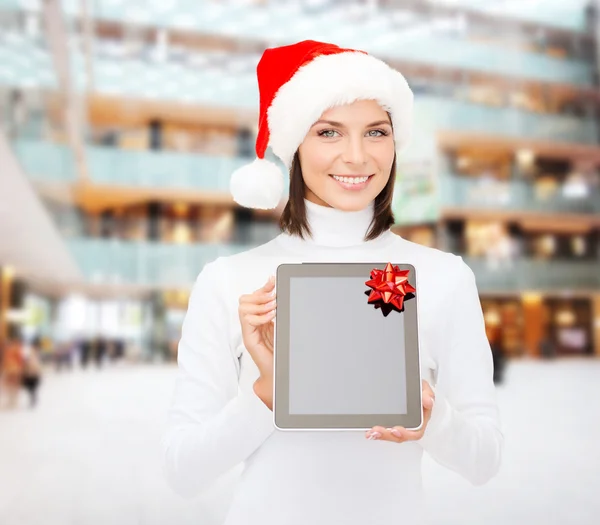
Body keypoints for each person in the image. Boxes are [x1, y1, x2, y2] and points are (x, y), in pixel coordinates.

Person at [162, 40, 503, 525]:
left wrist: (435, 419)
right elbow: (182, 471)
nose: (357, 156)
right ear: (295, 144)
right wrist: (267, 394)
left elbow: (485, 459)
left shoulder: (445, 277)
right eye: (329, 132)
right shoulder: (229, 281)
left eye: (376, 132)